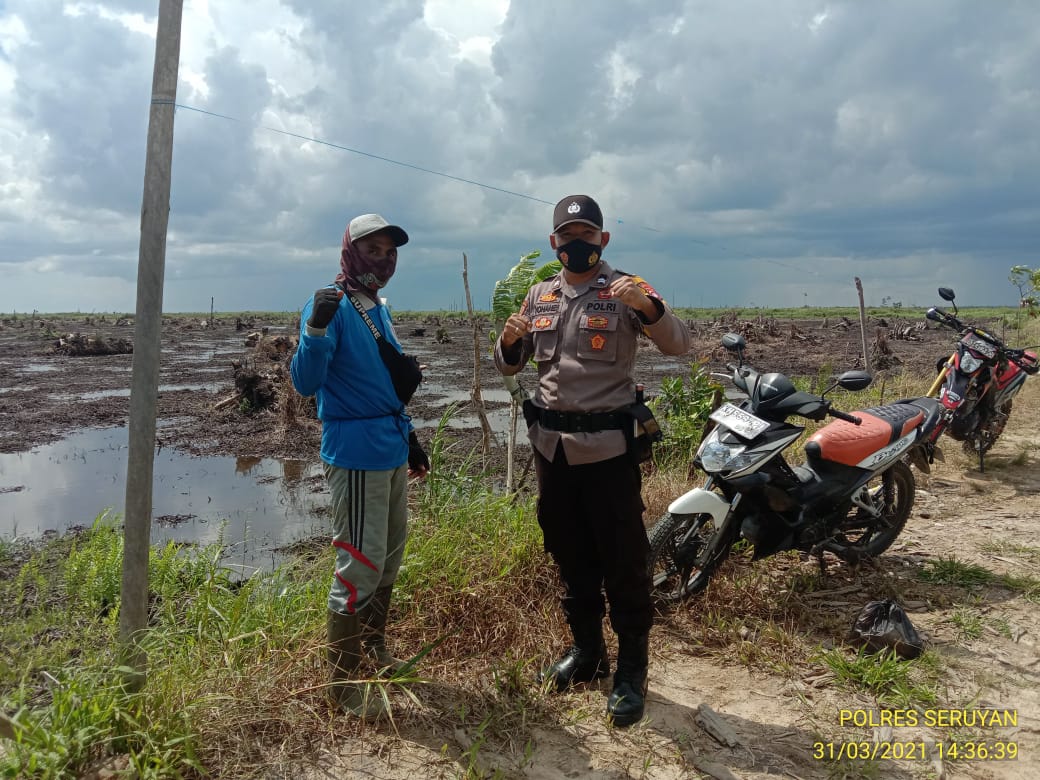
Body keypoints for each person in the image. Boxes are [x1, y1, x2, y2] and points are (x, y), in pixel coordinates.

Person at [494, 195, 691, 727]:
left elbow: (678, 344)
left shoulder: (628, 288)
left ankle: (631, 670)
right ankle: (587, 655)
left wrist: (650, 309)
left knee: (622, 558)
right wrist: (509, 345)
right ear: (553, 242)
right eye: (567, 234)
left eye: (586, 233)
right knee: (568, 551)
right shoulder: (540, 295)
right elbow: (511, 366)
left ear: (603, 240)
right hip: (550, 452)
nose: (576, 242)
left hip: (606, 451)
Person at [290, 213, 430, 719]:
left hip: (389, 444)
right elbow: (305, 384)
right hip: (355, 452)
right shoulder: (329, 304)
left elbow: (385, 383)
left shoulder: (376, 306)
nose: (384, 259)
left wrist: (410, 438)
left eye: (391, 252)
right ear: (351, 251)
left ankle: (374, 649)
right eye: (373, 250)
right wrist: (314, 329)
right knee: (359, 565)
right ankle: (343, 686)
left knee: (388, 557)